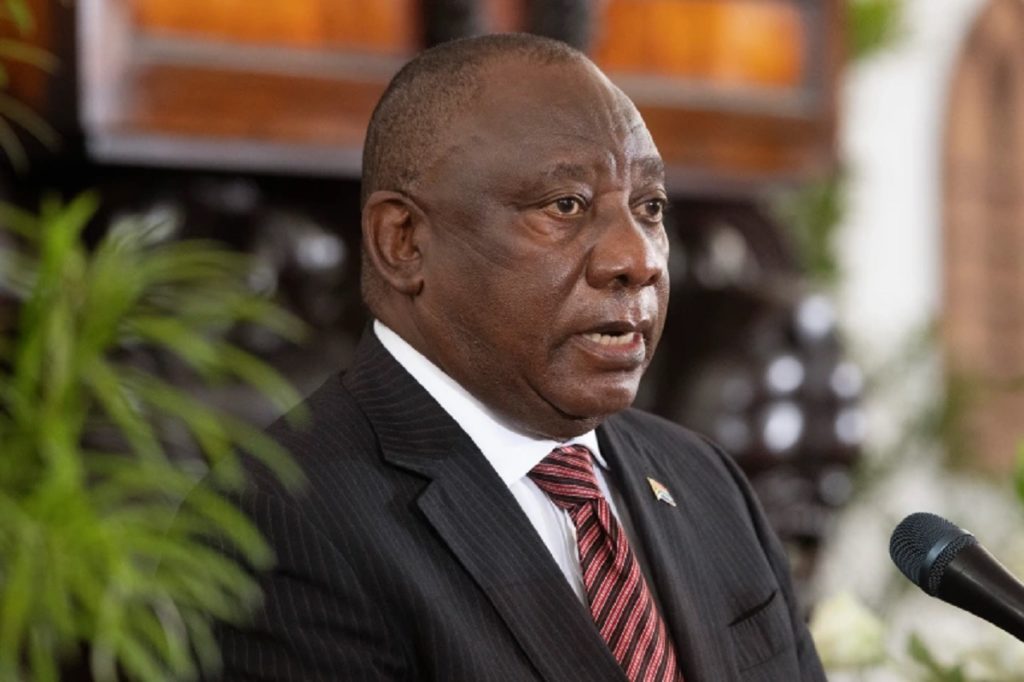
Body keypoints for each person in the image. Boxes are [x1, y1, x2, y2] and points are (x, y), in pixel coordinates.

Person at [214, 33, 827, 681]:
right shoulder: (279, 524)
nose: (638, 259)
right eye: (566, 206)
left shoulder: (705, 479)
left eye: (649, 208)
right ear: (403, 242)